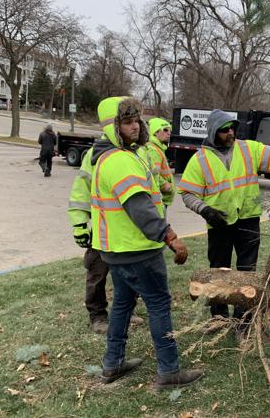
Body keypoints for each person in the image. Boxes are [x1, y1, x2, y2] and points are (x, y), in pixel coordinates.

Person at [90, 96, 203, 388]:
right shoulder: (119, 161)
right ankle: (169, 371)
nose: (135, 127)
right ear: (111, 127)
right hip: (139, 250)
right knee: (159, 305)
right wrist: (171, 237)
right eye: (126, 122)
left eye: (137, 120)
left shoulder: (117, 155)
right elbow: (140, 209)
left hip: (119, 252)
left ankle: (112, 364)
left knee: (122, 307)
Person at [177, 109, 270, 341]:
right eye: (224, 130)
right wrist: (205, 210)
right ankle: (218, 317)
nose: (230, 133)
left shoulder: (248, 148)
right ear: (213, 132)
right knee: (219, 271)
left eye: (232, 128)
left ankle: (243, 320)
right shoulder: (200, 160)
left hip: (248, 220)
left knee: (247, 272)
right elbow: (188, 193)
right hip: (218, 223)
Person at [67, 141, 144, 334]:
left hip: (128, 230)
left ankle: (128, 309)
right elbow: (81, 190)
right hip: (102, 230)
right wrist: (79, 225)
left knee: (130, 273)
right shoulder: (96, 153)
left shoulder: (137, 151)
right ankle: (98, 316)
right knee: (97, 274)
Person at [147, 118, 175, 208]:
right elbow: (154, 175)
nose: (169, 133)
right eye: (165, 130)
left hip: (161, 198)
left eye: (170, 130)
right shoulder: (153, 150)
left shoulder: (158, 148)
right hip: (159, 199)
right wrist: (167, 186)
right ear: (155, 132)